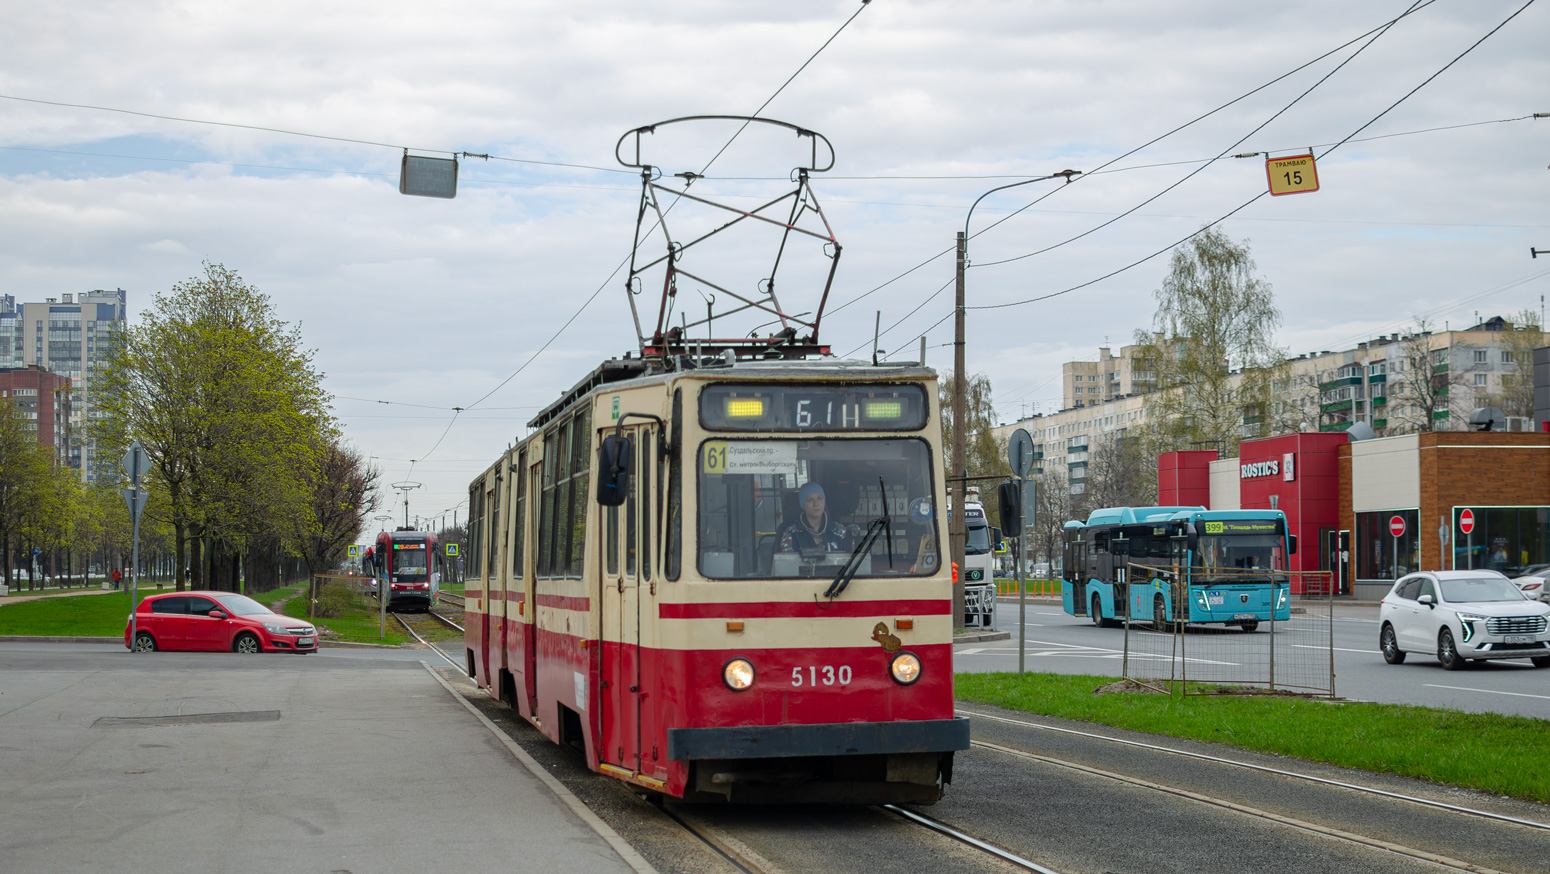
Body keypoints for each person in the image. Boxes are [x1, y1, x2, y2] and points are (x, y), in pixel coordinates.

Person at [778, 482, 852, 554]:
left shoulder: (841, 531)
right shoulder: (791, 533)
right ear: (803, 504)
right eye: (810, 500)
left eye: (819, 498)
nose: (816, 504)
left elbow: (852, 559)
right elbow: (787, 561)